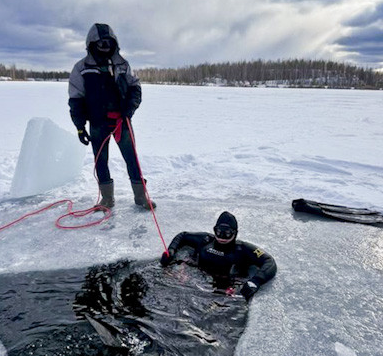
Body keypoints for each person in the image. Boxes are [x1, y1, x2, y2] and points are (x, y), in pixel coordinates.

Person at [68, 23, 155, 210]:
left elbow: (135, 87)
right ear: (91, 44)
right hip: (98, 123)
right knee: (101, 161)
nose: (105, 46)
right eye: (100, 42)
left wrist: (130, 109)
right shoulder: (81, 68)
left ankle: (141, 197)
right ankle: (107, 199)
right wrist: (80, 126)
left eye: (108, 42)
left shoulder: (122, 64)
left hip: (121, 122)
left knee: (132, 158)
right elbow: (76, 99)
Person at [160, 211, 277, 300]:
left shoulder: (243, 249)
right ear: (214, 230)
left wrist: (255, 281)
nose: (222, 237)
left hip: (226, 288)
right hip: (195, 281)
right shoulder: (206, 240)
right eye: (219, 231)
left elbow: (269, 261)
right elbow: (183, 235)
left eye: (227, 233)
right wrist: (171, 251)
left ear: (235, 233)